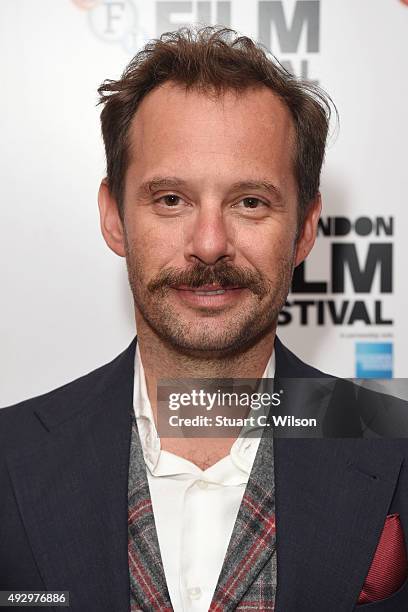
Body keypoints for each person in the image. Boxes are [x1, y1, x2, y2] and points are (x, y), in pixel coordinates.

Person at [1, 26, 407, 612]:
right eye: (171, 200)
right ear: (114, 217)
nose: (210, 243)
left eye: (250, 202)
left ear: (306, 227)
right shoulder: (10, 455)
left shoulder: (393, 443)